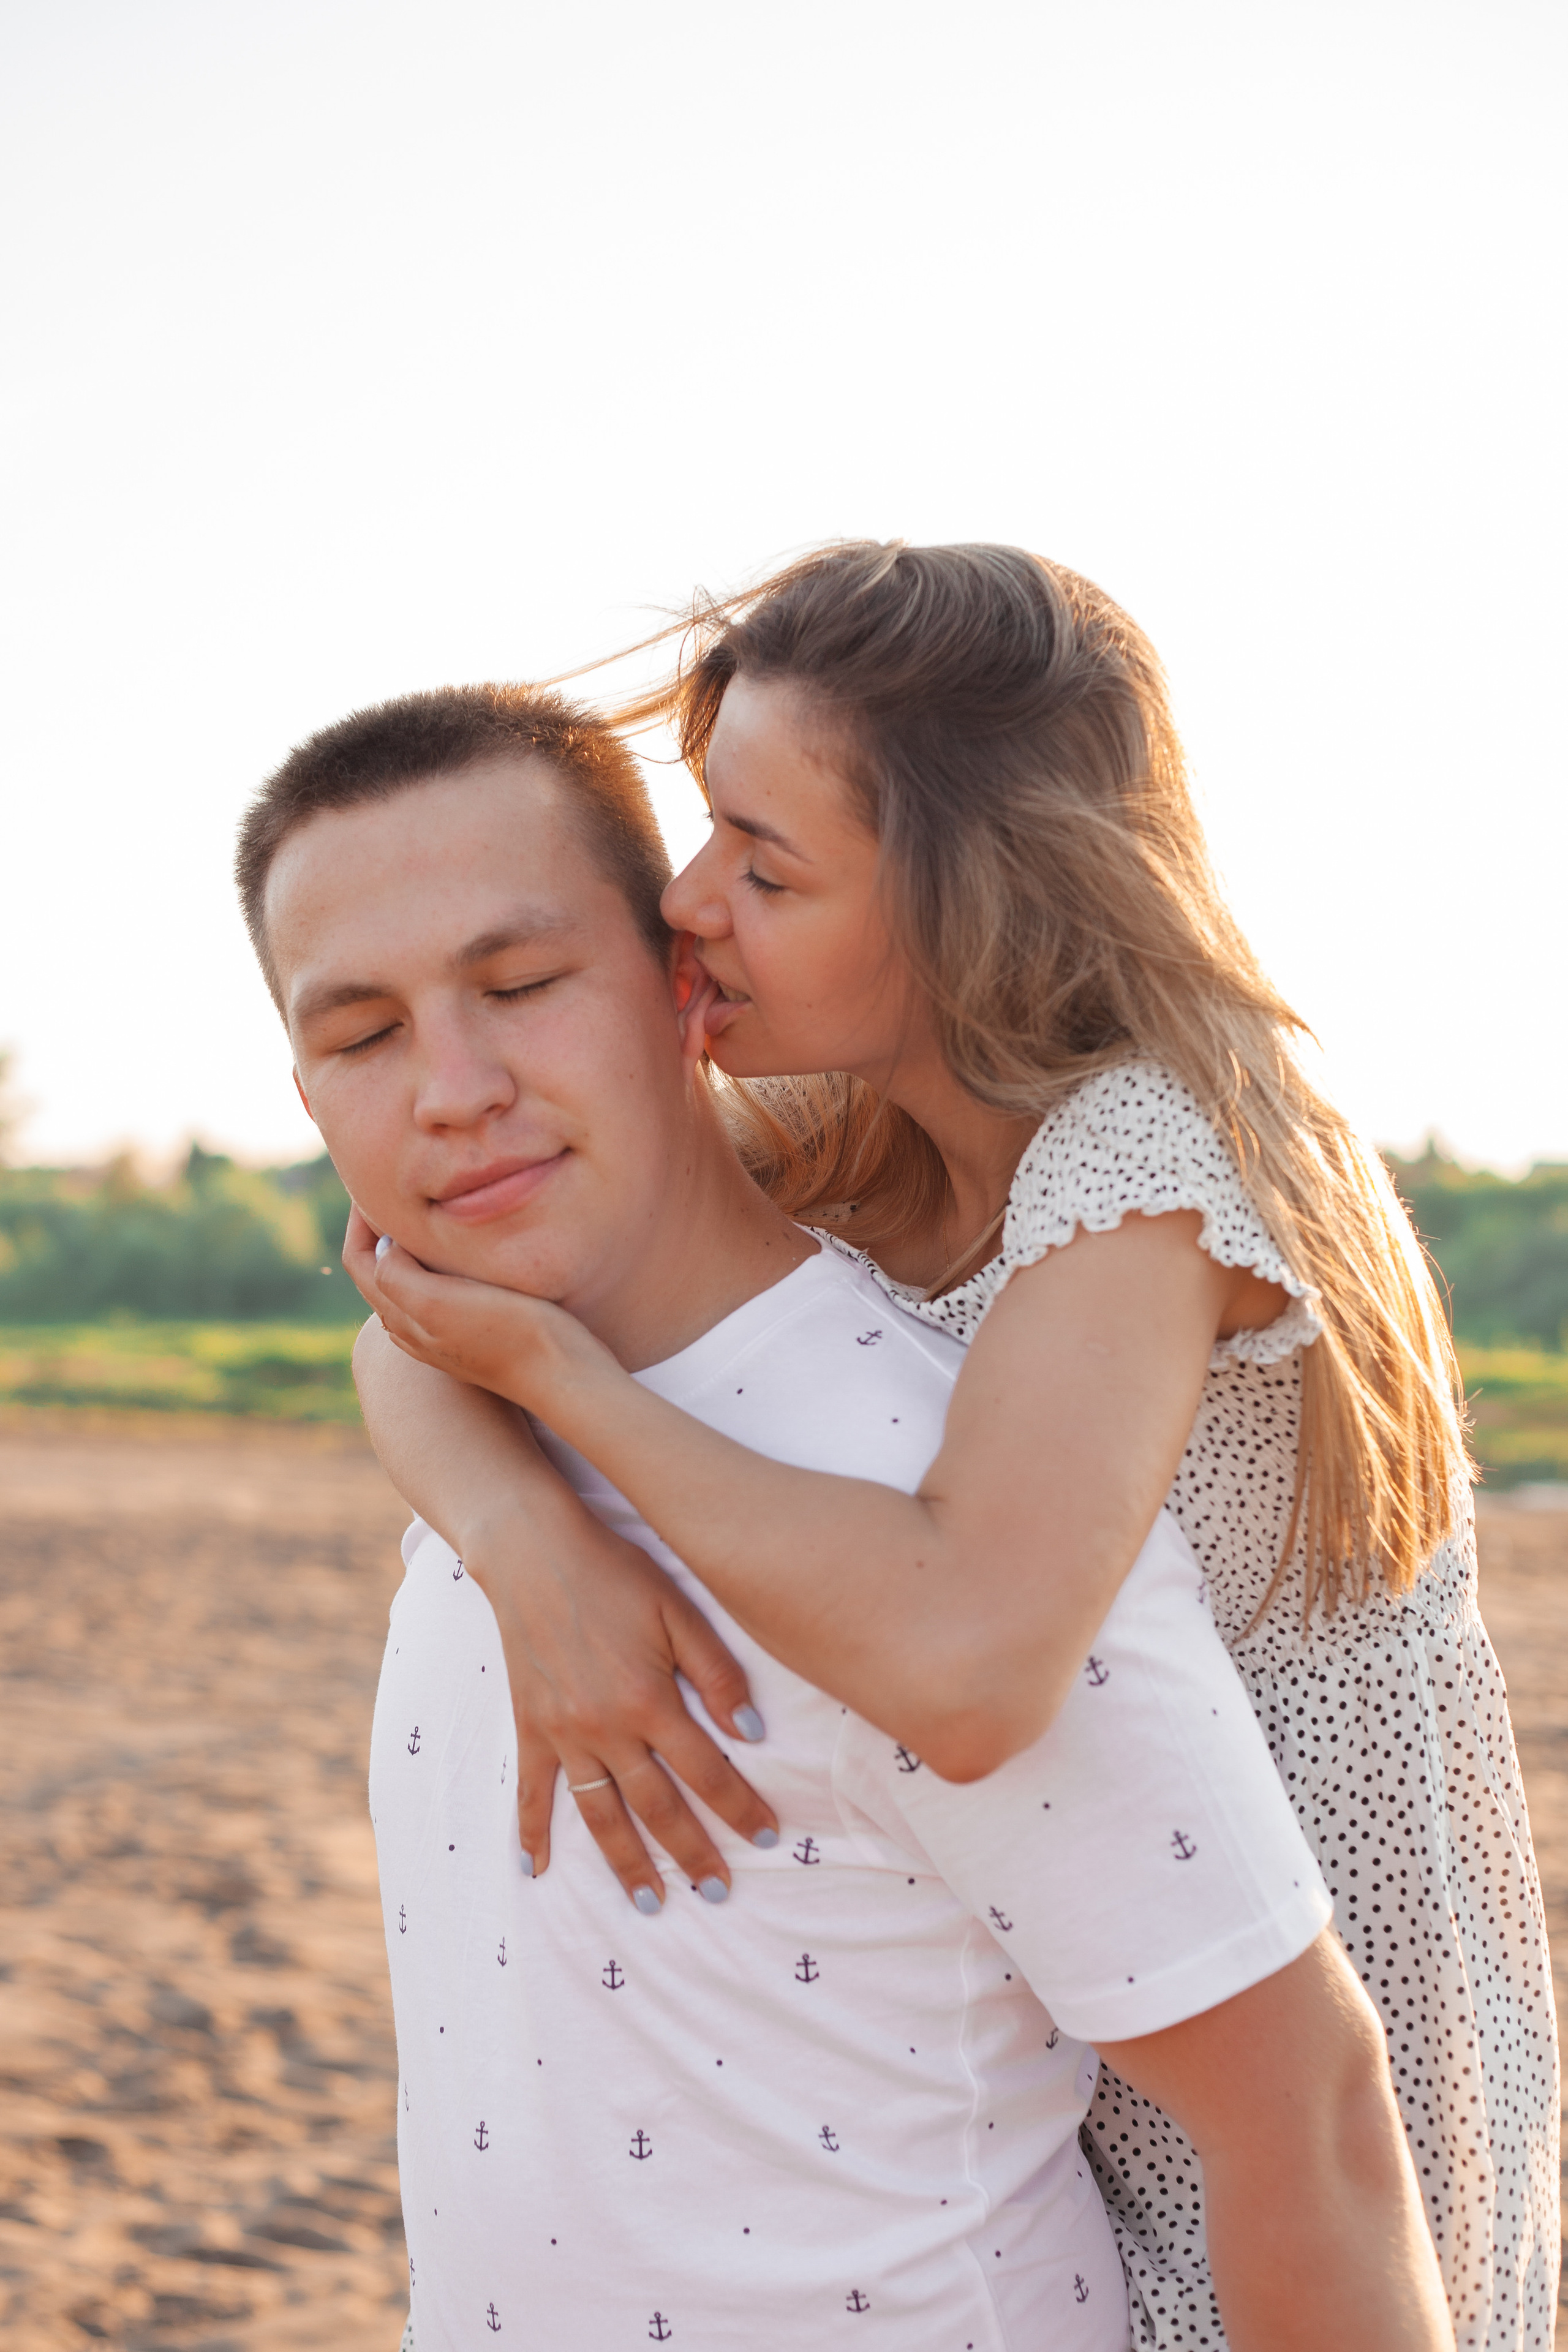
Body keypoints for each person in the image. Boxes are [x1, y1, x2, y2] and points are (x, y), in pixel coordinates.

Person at [350, 545, 1556, 2352]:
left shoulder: (1146, 1154)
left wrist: (574, 1396)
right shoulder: (896, 1133)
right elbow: (413, 1311)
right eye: (703, 839)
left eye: (766, 864)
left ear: (970, 896)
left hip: (1295, 2057)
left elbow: (974, 1664)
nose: (690, 902)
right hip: (1092, 1984)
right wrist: (538, 1553)